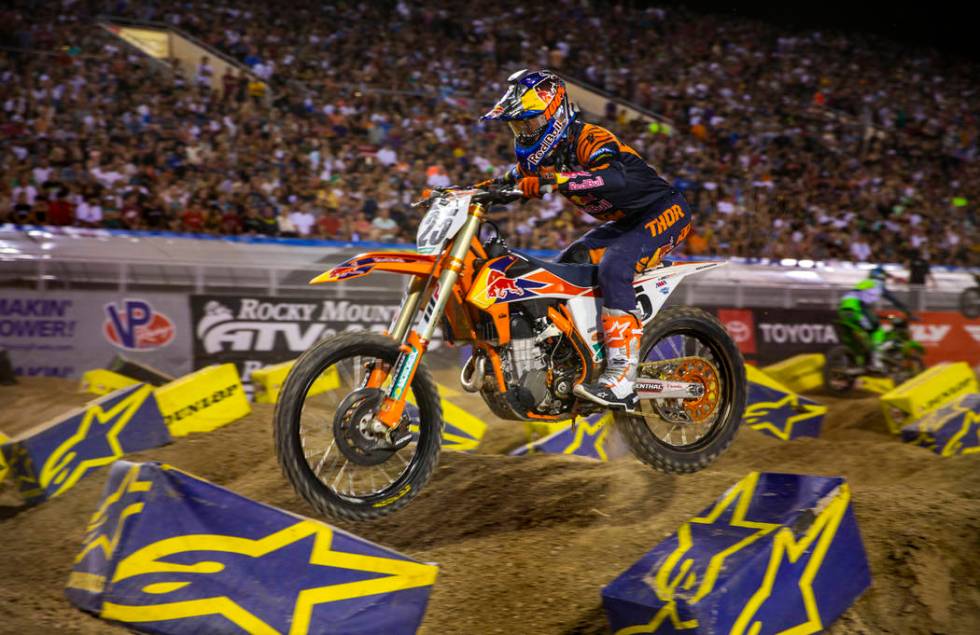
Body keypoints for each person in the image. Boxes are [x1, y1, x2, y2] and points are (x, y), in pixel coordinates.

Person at [481, 69, 692, 410]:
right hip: (627, 222)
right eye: (517, 126)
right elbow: (505, 182)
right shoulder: (544, 158)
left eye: (529, 124)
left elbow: (615, 179)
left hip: (663, 210)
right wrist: (462, 193)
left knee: (615, 265)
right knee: (569, 264)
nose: (523, 132)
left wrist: (559, 180)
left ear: (554, 115)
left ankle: (623, 376)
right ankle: (576, 358)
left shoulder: (588, 138)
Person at [838, 266, 910, 373]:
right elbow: (892, 298)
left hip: (843, 309)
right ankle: (876, 363)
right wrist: (906, 310)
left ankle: (860, 360)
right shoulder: (877, 283)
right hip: (857, 308)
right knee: (877, 330)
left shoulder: (865, 283)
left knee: (864, 335)